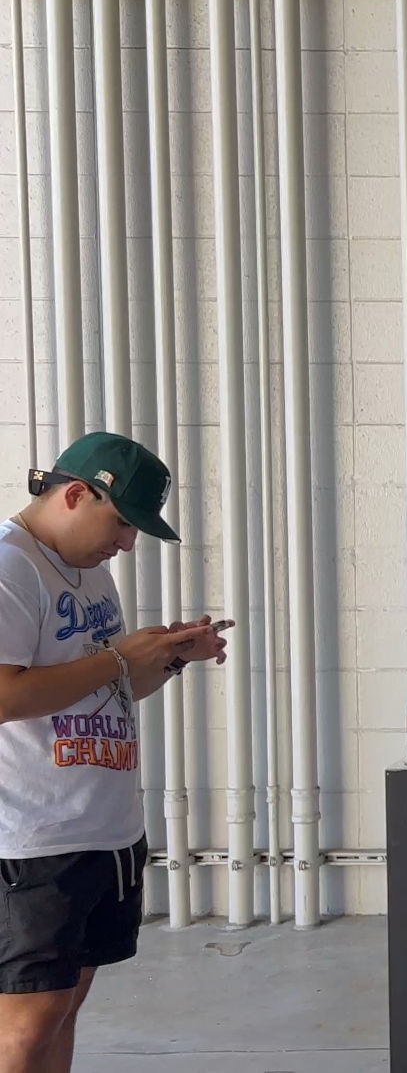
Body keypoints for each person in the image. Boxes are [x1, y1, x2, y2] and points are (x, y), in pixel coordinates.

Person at [0, 432, 229, 1073]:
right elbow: (3, 695)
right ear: (77, 494)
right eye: (123, 523)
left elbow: (113, 688)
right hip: (36, 838)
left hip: (104, 829)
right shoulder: (10, 566)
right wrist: (117, 658)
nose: (127, 544)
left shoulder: (90, 573)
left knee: (66, 1007)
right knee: (25, 1024)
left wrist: (171, 658)